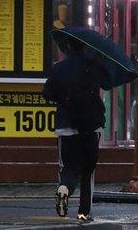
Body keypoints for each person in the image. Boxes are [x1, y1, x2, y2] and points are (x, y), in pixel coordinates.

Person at [42, 36, 110, 221]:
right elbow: (108, 83)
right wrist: (99, 62)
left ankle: (64, 189)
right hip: (91, 126)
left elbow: (46, 94)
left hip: (66, 126)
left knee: (68, 167)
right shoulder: (92, 66)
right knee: (88, 171)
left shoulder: (59, 67)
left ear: (68, 48)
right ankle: (84, 212)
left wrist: (63, 99)